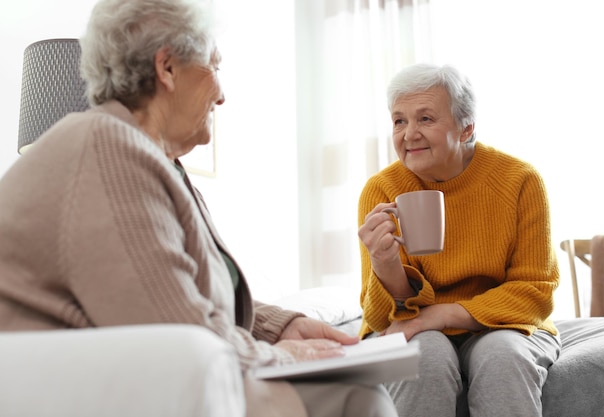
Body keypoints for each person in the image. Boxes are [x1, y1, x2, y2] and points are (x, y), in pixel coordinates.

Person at [0, 1, 399, 416]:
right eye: (214, 65)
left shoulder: (150, 157)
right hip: (76, 390)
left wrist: (278, 326)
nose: (222, 94)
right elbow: (176, 328)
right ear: (167, 68)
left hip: (126, 376)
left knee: (357, 391)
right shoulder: (109, 149)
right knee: (358, 398)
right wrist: (288, 355)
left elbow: (169, 288)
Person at [357, 63, 561, 417]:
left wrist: (442, 314)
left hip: (506, 323)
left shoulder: (520, 181)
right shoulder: (381, 191)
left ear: (467, 128)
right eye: (399, 121)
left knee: (502, 357)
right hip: (417, 326)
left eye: (425, 119)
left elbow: (535, 293)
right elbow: (380, 319)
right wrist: (385, 266)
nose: (409, 135)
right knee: (422, 358)